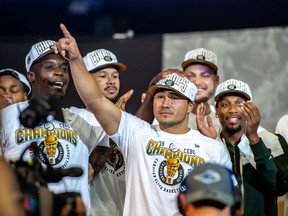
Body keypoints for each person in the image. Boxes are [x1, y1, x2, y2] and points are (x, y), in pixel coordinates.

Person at [54, 23, 234, 216]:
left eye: (174, 98)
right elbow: (95, 100)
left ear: (190, 106)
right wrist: (75, 59)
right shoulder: (137, 132)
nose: (165, 103)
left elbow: (227, 204)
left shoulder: (213, 148)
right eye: (160, 96)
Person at [0, 39, 98, 214]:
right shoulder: (7, 116)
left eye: (64, 68)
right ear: (31, 76)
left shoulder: (84, 119)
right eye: (50, 67)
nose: (59, 72)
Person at [63, 48, 133, 216]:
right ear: (84, 79)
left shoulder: (129, 122)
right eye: (102, 76)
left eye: (115, 76)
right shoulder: (68, 117)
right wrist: (110, 124)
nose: (111, 81)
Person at [211, 78, 288, 216]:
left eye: (240, 104)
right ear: (216, 111)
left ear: (250, 108)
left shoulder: (274, 141)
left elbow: (281, 187)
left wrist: (254, 140)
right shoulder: (209, 144)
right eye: (224, 104)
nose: (232, 110)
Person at [182, 48, 221, 138]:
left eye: (205, 76)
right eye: (191, 75)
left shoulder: (226, 121)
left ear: (216, 80)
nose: (197, 82)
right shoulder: (167, 117)